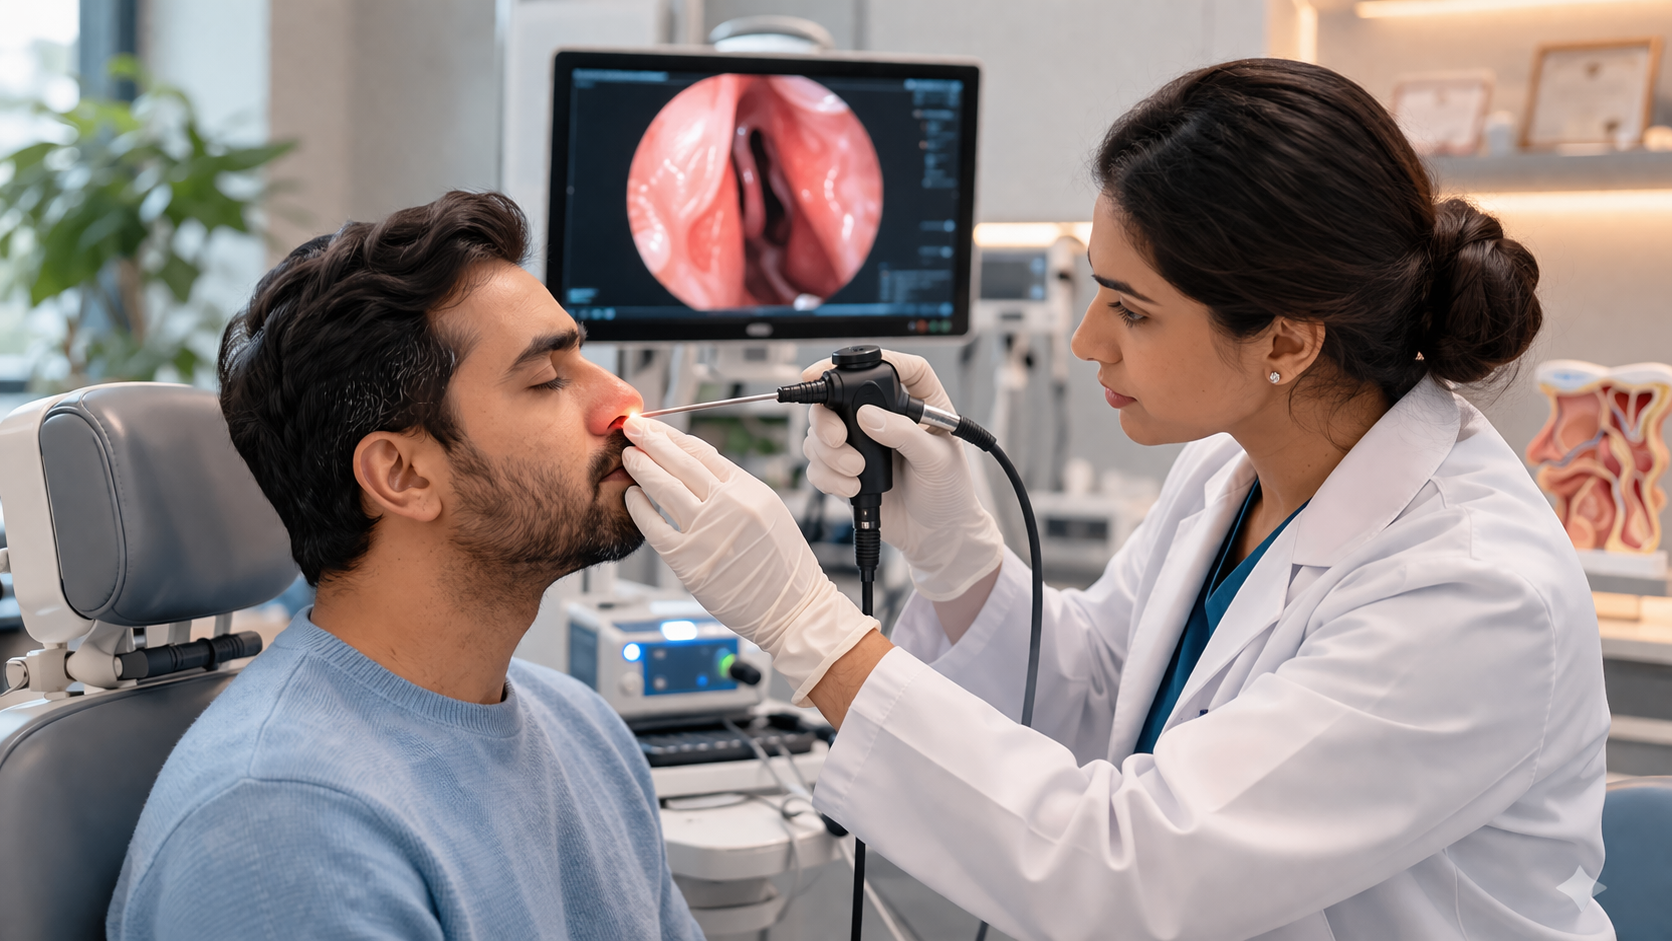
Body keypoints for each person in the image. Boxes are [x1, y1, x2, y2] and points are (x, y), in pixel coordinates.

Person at [621, 60, 1612, 940]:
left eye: (1131, 308)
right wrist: (961, 558)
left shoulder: (1470, 592)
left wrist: (813, 630)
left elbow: (1128, 870)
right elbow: (1102, 696)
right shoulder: (1235, 471)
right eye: (1097, 289)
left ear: (1284, 342)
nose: (1088, 339)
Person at [108, 192, 700, 941]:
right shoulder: (285, 822)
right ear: (402, 475)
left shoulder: (585, 730)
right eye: (548, 378)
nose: (623, 401)